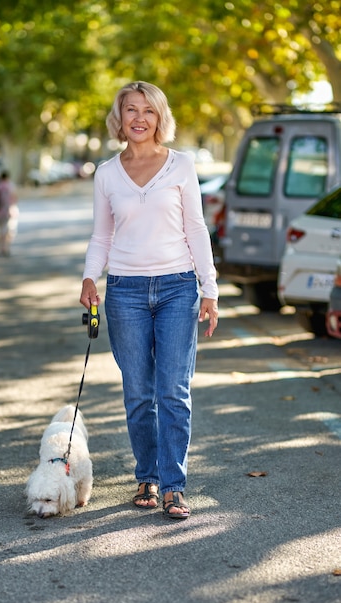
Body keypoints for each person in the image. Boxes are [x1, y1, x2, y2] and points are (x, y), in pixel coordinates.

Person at [80, 81, 219, 520]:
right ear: (119, 118)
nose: (139, 118)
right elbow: (102, 234)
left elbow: (196, 228)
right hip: (125, 292)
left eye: (148, 111)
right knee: (139, 393)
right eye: (130, 110)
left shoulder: (181, 165)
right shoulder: (106, 173)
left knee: (173, 390)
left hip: (178, 287)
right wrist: (89, 277)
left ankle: (175, 486)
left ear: (160, 118)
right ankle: (148, 477)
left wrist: (209, 288)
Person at [0, 171, 18, 256]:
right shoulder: (10, 185)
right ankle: (6, 248)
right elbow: (14, 198)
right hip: (8, 211)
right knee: (7, 230)